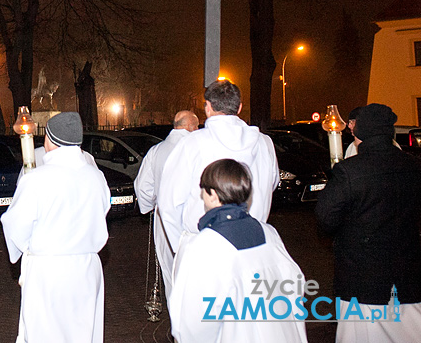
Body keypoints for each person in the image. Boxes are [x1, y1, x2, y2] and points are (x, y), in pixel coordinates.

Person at [169, 159, 308, 343]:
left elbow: (192, 324)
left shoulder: (203, 246)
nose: (201, 196)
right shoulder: (268, 233)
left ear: (213, 195)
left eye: (203, 189)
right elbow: (295, 285)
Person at [1, 111, 111, 343]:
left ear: (50, 141)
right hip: (86, 271)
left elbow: (16, 224)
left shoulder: (37, 179)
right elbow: (100, 213)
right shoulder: (96, 177)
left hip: (49, 274)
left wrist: (28, 249)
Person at [315, 103, 421, 342]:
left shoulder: (349, 171)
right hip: (408, 274)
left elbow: (325, 217)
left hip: (362, 278)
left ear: (360, 131)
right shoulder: (414, 166)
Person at [158, 79, 279, 254]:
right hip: (253, 244)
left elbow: (168, 201)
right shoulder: (264, 143)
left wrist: (181, 247)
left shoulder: (191, 144)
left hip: (204, 248)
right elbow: (271, 185)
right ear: (239, 108)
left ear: (207, 107)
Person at [135, 109, 200, 295]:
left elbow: (142, 187)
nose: (198, 129)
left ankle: (177, 320)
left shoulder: (157, 150)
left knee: (170, 274)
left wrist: (152, 205)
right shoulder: (197, 149)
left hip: (163, 218)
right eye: (196, 126)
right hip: (193, 217)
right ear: (188, 126)